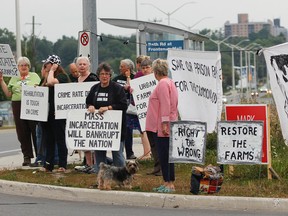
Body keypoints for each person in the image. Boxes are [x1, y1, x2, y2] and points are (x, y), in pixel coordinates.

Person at [86, 62, 127, 174]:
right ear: (99, 75)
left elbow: (123, 105)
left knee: (117, 154)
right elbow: (88, 102)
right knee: (99, 154)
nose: (104, 76)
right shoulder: (94, 88)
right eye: (102, 74)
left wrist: (109, 107)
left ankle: (122, 177)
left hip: (115, 129)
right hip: (99, 130)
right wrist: (90, 106)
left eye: (107, 74)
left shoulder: (117, 88)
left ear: (110, 75)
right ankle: (101, 178)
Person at [0, 56, 40, 166]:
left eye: (26, 65)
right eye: (21, 65)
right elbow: (8, 93)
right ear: (17, 67)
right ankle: (26, 156)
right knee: (22, 132)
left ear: (29, 66)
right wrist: (2, 81)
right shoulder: (14, 78)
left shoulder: (34, 76)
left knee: (35, 130)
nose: (23, 67)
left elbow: (38, 88)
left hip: (31, 104)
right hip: (18, 104)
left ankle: (39, 156)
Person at [147, 59, 178, 193]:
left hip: (162, 126)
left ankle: (168, 183)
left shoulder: (162, 84)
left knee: (164, 155)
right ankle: (169, 182)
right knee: (167, 155)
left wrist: (165, 123)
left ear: (155, 72)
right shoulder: (170, 82)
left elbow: (165, 104)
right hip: (167, 123)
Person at [40, 55, 70, 172]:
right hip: (47, 114)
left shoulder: (61, 76)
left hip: (58, 114)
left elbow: (52, 82)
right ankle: (48, 164)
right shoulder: (45, 78)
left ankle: (62, 164)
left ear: (53, 65)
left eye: (46, 64)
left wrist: (52, 70)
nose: (44, 66)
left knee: (60, 139)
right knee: (49, 140)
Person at [136, 58, 162, 176]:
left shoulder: (158, 81)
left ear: (152, 68)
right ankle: (157, 167)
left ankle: (161, 168)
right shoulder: (138, 80)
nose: (145, 70)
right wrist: (132, 90)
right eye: (143, 68)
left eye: (147, 67)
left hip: (158, 118)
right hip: (146, 117)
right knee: (153, 144)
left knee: (158, 143)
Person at [75, 56, 98, 172]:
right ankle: (88, 164)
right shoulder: (76, 79)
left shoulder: (93, 78)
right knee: (84, 139)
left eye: (84, 64)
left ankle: (94, 164)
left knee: (92, 138)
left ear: (89, 65)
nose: (82, 66)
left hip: (92, 113)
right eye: (80, 64)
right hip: (80, 114)